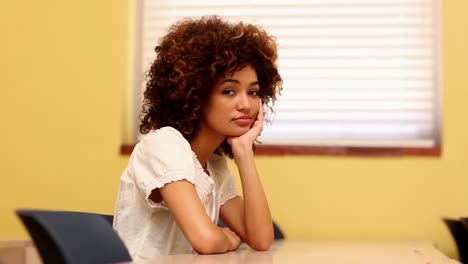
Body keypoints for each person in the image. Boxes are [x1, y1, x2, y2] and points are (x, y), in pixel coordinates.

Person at [113, 15, 283, 260]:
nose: (246, 104)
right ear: (196, 94)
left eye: (253, 92)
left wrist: (244, 152)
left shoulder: (213, 166)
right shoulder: (164, 144)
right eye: (229, 91)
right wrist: (228, 237)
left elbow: (261, 239)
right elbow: (206, 240)